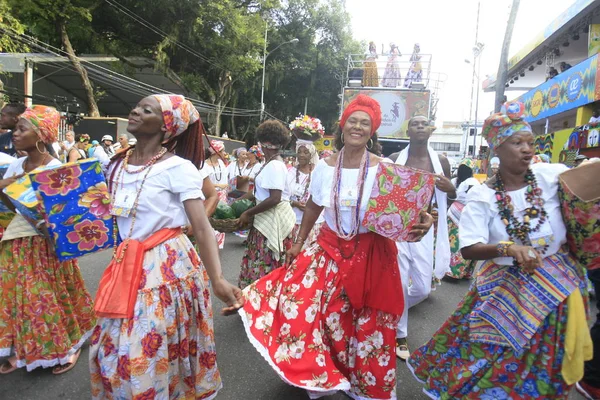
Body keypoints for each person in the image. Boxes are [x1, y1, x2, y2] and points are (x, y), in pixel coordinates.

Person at [236, 94, 433, 399]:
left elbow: (406, 215)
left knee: (368, 323)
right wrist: (299, 242)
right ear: (342, 126)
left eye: (364, 123)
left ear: (372, 131)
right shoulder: (326, 167)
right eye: (352, 121)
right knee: (320, 314)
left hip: (372, 255)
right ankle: (324, 376)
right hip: (329, 249)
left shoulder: (386, 167)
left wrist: (422, 224)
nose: (357, 127)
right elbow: (314, 205)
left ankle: (363, 385)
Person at [408, 101, 590, 399]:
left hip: (557, 292)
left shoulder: (551, 175)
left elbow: (589, 191)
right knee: (493, 364)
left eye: (530, 142)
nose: (527, 149)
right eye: (517, 142)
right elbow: (468, 248)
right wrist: (508, 248)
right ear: (497, 149)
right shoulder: (482, 195)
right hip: (504, 292)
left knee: (545, 365)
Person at [89, 94, 242, 399]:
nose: (135, 110)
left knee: (148, 348)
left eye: (148, 110)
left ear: (166, 126)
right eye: (137, 105)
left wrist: (218, 279)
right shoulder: (115, 164)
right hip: (125, 264)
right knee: (114, 348)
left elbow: (201, 226)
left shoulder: (178, 168)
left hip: (167, 269)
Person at [0, 105, 96, 375]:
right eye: (15, 128)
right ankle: (22, 348)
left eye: (21, 129)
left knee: (49, 294)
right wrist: (14, 184)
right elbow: (9, 200)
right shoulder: (17, 164)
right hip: (18, 238)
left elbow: (64, 213)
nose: (14, 134)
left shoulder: (56, 168)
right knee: (17, 294)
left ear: (41, 135)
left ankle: (69, 345)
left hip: (47, 242)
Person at [393, 115, 456, 361]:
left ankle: (391, 312)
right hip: (396, 228)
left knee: (421, 288)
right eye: (415, 124)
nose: (419, 127)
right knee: (398, 282)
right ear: (407, 130)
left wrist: (451, 189)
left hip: (423, 228)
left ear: (431, 130)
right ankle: (400, 334)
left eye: (424, 124)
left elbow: (448, 199)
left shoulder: (440, 161)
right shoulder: (394, 160)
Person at [237, 120, 294, 289]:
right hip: (265, 219)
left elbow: (274, 198)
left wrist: (248, 213)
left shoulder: (275, 165)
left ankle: (263, 303)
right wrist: (238, 201)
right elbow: (258, 192)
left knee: (265, 262)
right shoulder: (269, 163)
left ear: (266, 144)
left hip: (273, 220)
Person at [445, 158, 480, 279]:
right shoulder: (473, 182)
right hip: (466, 216)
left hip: (453, 214)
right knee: (463, 244)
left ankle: (451, 271)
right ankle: (461, 272)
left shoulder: (456, 181)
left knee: (452, 244)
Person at [287, 139, 323, 247]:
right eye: (299, 152)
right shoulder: (290, 172)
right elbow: (282, 197)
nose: (301, 155)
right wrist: (294, 203)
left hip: (315, 222)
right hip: (293, 222)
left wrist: (311, 205)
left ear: (311, 154)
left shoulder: (318, 172)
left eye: (305, 152)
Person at [199, 140, 229, 249]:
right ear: (217, 152)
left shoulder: (222, 163)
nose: (224, 152)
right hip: (209, 195)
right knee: (209, 218)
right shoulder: (205, 165)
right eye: (222, 150)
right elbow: (204, 183)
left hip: (222, 195)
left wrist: (222, 187)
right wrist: (217, 185)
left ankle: (218, 244)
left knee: (220, 219)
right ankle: (208, 244)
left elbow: (226, 180)